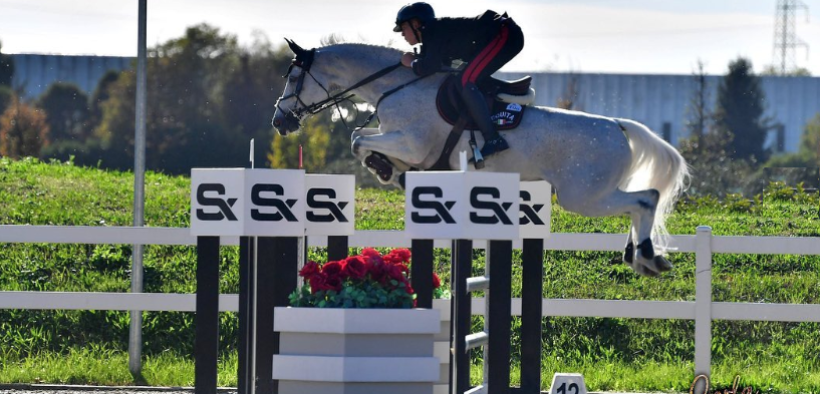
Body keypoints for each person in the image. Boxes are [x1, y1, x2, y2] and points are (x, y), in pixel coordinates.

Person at [393, 2, 524, 160]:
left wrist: (411, 62)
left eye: (403, 28)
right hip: (500, 34)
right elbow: (436, 66)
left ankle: (493, 139)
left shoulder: (433, 32)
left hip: (504, 34)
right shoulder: (432, 36)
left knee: (465, 80)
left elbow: (430, 66)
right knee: (464, 78)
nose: (402, 34)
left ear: (416, 24)